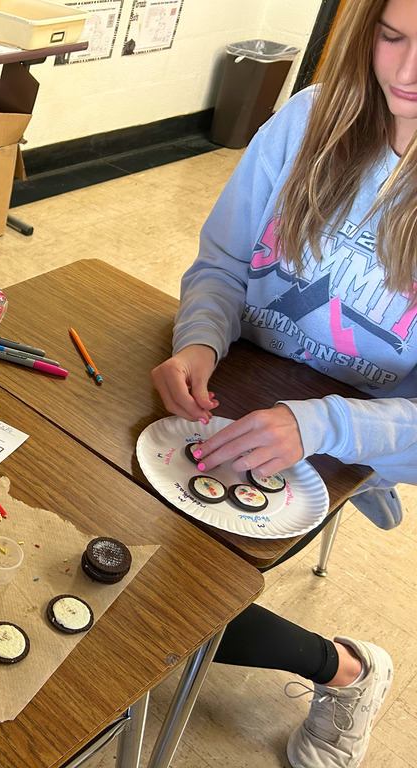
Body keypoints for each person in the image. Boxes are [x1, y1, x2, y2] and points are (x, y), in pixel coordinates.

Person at [150, 0, 417, 765]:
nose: (404, 73)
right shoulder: (306, 120)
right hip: (241, 382)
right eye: (391, 39)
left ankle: (349, 670)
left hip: (359, 436)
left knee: (177, 589)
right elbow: (223, 264)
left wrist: (322, 426)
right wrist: (200, 337)